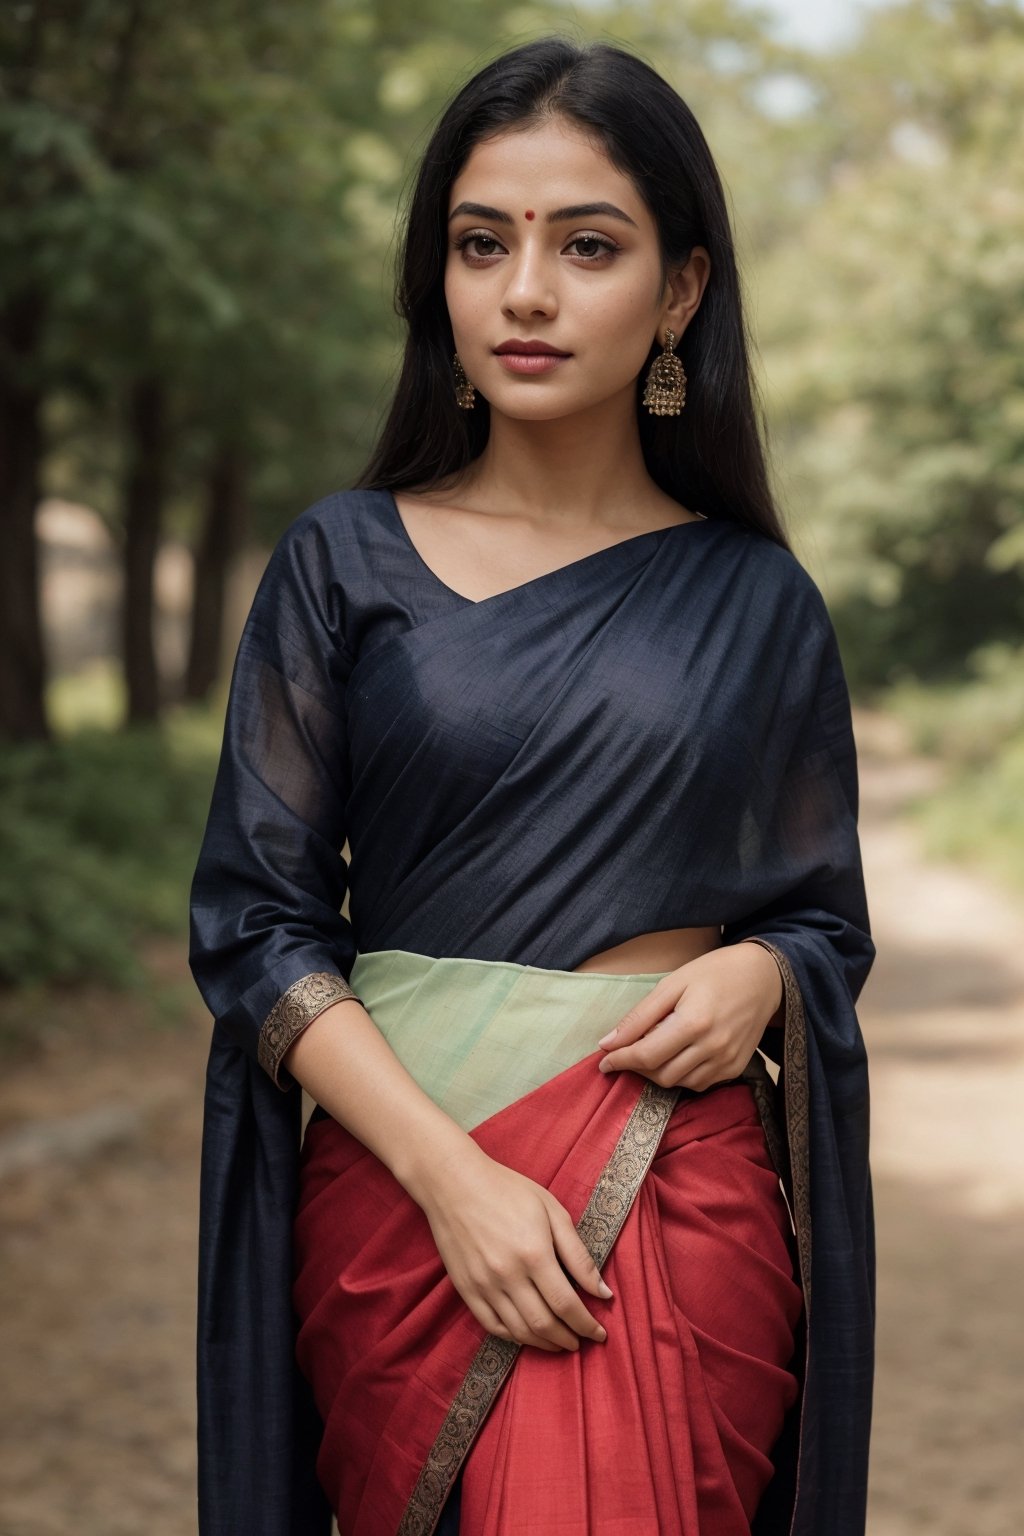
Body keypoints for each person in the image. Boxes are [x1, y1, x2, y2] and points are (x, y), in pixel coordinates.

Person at [188, 34, 876, 1536]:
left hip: (671, 1200)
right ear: (439, 276)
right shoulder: (340, 565)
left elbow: (827, 924)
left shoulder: (756, 601)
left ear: (681, 289)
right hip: (397, 1203)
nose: (527, 292)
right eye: (481, 242)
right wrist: (455, 1184)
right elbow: (256, 928)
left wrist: (766, 973)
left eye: (589, 246)